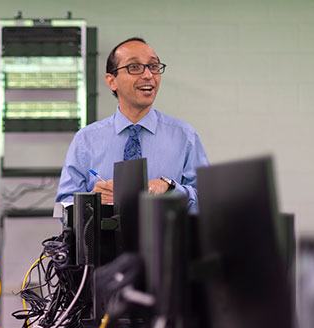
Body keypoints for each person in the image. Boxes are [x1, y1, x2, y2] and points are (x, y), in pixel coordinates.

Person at [55, 37, 209, 213]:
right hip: (105, 239)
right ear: (111, 81)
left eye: (153, 66)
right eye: (134, 67)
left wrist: (170, 187)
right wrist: (91, 201)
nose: (148, 75)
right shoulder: (85, 140)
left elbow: (208, 199)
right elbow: (63, 207)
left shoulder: (184, 135)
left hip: (167, 238)